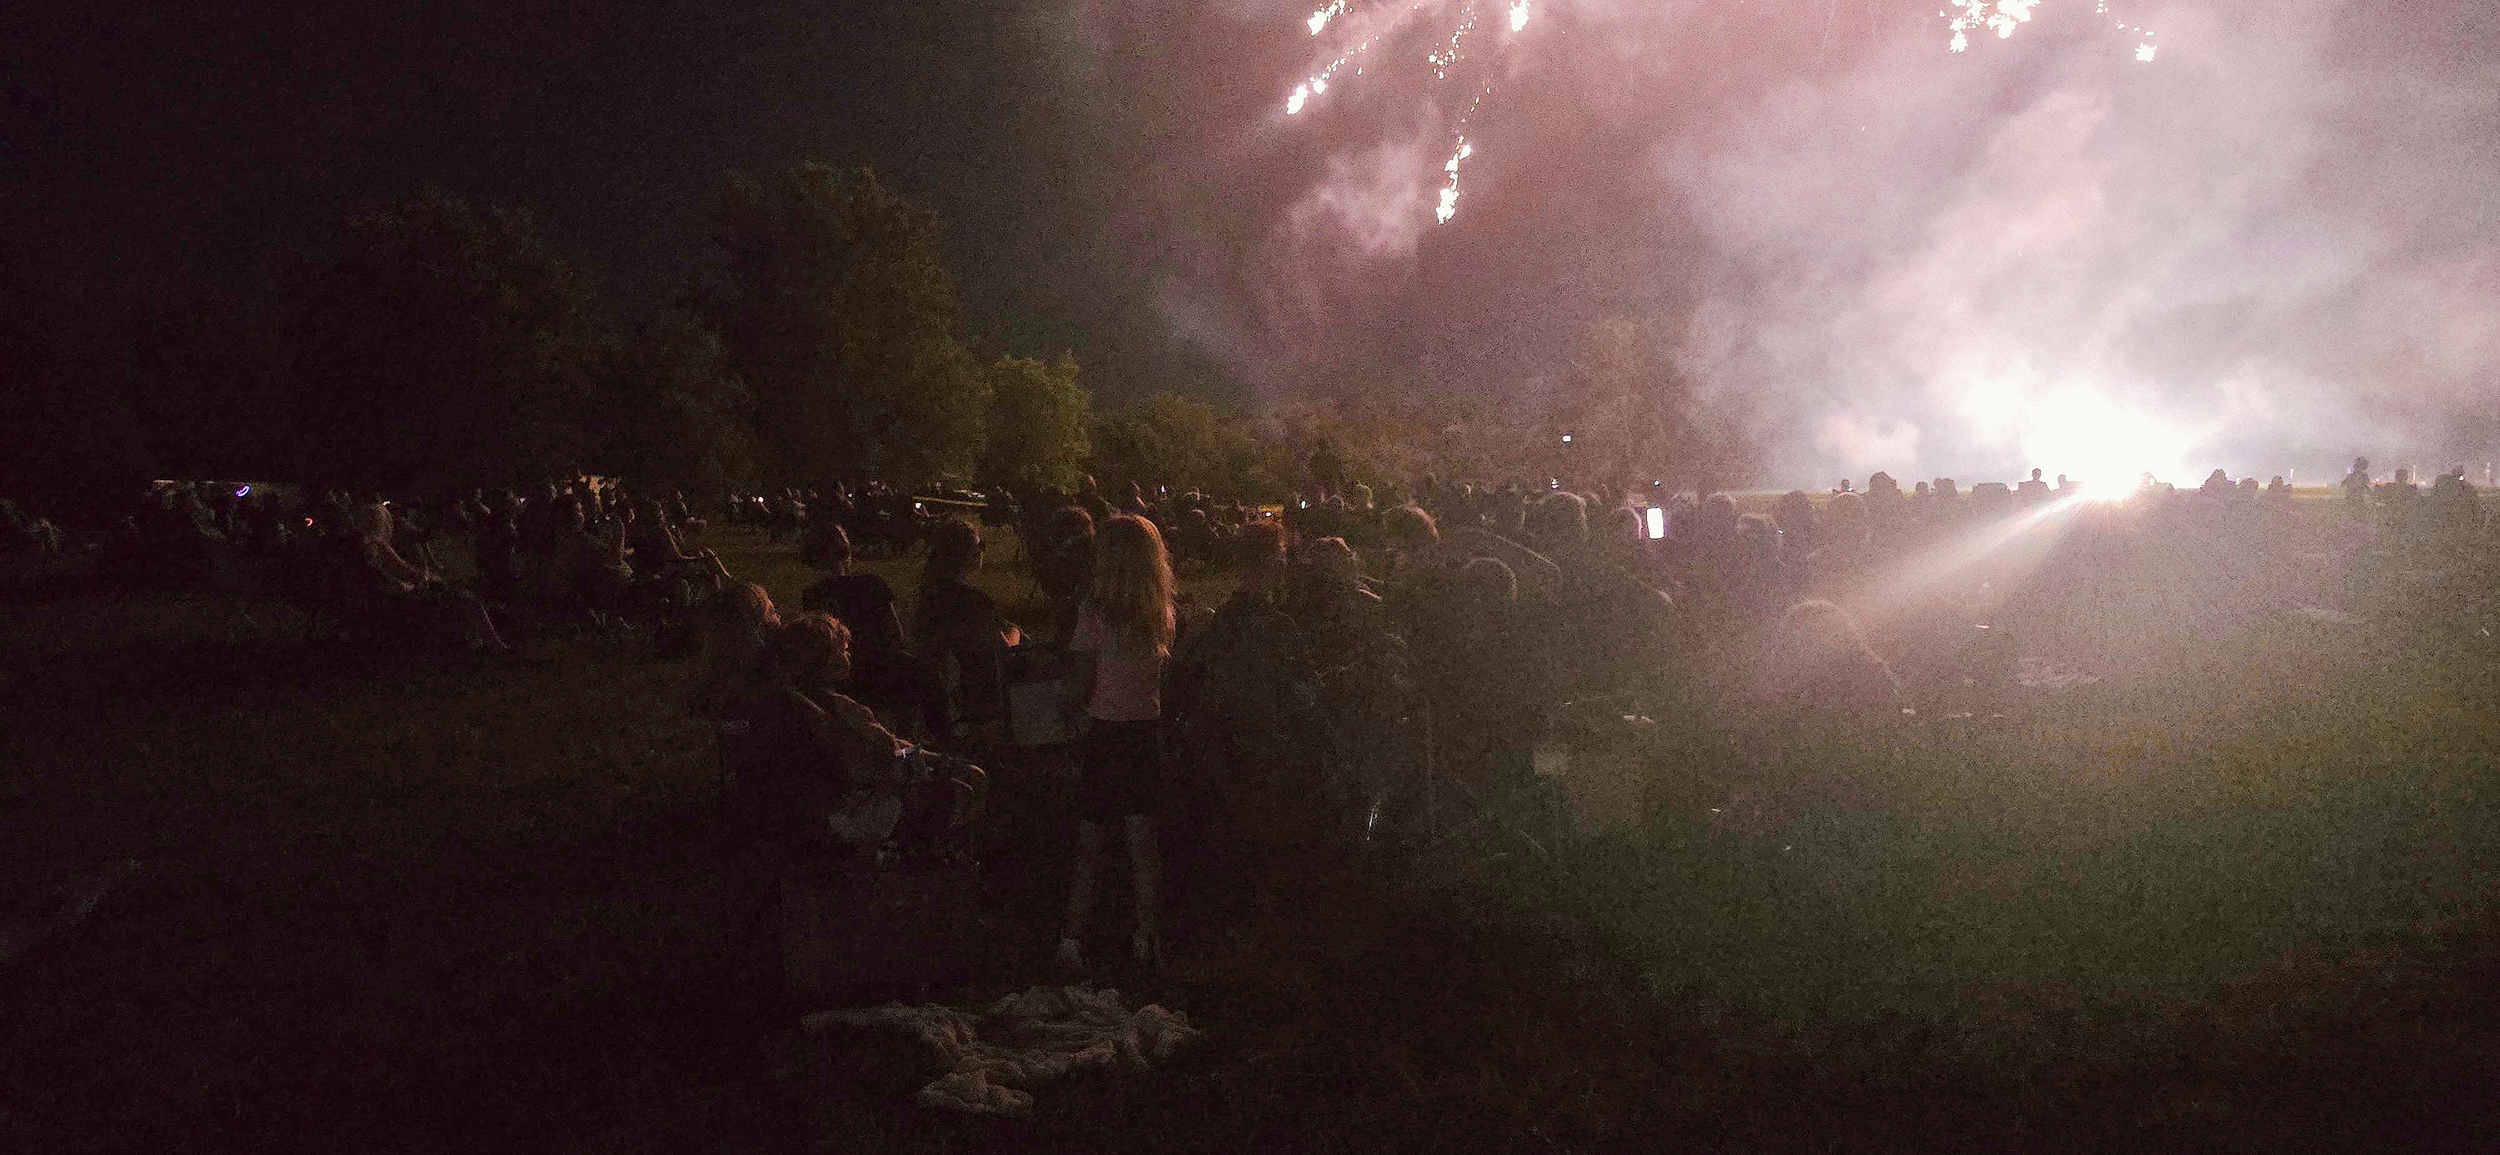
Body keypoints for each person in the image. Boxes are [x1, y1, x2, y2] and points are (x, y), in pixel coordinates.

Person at [1055, 514, 1176, 971]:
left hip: (1105, 735)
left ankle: (1072, 938)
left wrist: (1065, 710)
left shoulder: (1094, 613)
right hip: (1145, 733)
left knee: (1092, 843)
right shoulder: (1159, 612)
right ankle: (1147, 938)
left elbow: (1080, 683)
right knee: (1143, 845)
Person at [913, 519, 1021, 746]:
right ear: (968, 554)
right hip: (976, 691)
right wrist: (1015, 632)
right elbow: (1004, 649)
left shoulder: (932, 596)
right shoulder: (972, 602)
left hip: (946, 688)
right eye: (980, 546)